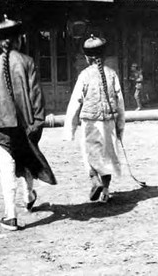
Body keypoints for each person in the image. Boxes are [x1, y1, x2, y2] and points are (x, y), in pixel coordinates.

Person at [0, 15, 57, 231]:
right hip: (26, 124)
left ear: (0, 42)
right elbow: (37, 97)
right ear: (19, 40)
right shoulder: (28, 62)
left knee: (7, 168)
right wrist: (37, 124)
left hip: (2, 127)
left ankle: (10, 216)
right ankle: (29, 196)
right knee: (27, 158)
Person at [63, 35, 126, 203]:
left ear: (86, 57)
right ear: (103, 56)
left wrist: (70, 129)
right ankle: (105, 191)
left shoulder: (84, 75)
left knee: (90, 154)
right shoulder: (112, 74)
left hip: (90, 123)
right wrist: (120, 127)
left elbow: (75, 101)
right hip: (109, 122)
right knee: (108, 156)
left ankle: (94, 180)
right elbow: (120, 104)